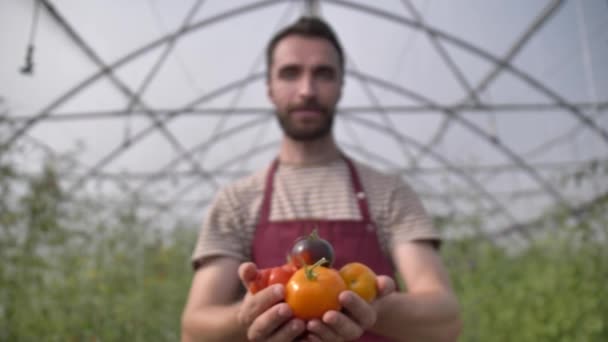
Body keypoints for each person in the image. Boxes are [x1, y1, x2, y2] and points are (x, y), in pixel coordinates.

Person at [181, 16, 461, 342]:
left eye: (323, 74)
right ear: (269, 88)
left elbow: (445, 320)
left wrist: (364, 305)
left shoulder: (388, 193)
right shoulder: (238, 201)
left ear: (342, 85)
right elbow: (194, 328)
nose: (307, 90)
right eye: (290, 73)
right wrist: (247, 316)